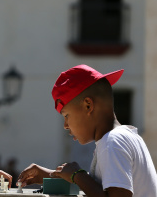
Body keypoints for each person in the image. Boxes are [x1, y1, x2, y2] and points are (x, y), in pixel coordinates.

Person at [17, 64, 157, 197]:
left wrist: (77, 175)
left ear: (88, 106)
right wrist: (54, 174)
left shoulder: (113, 142)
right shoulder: (123, 136)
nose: (65, 125)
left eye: (66, 116)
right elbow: (104, 187)